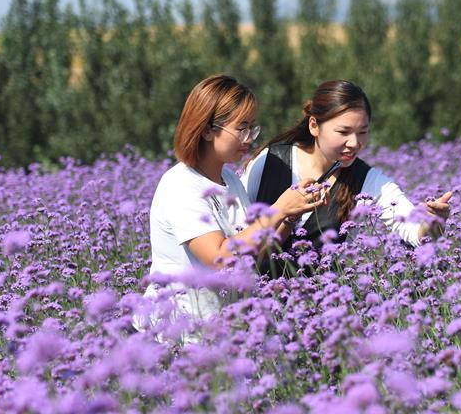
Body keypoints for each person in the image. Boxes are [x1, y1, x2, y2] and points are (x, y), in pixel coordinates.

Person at [137, 75, 327, 330]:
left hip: (219, 333)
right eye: (242, 128)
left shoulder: (229, 179)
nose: (250, 137)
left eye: (252, 127)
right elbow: (219, 258)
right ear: (206, 129)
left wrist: (291, 215)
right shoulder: (180, 185)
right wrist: (279, 208)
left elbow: (252, 252)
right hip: (175, 335)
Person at [241, 80, 453, 276]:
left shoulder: (367, 180)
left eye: (362, 132)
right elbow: (234, 229)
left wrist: (434, 222)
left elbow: (414, 230)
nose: (354, 143)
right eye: (343, 132)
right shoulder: (270, 161)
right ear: (314, 125)